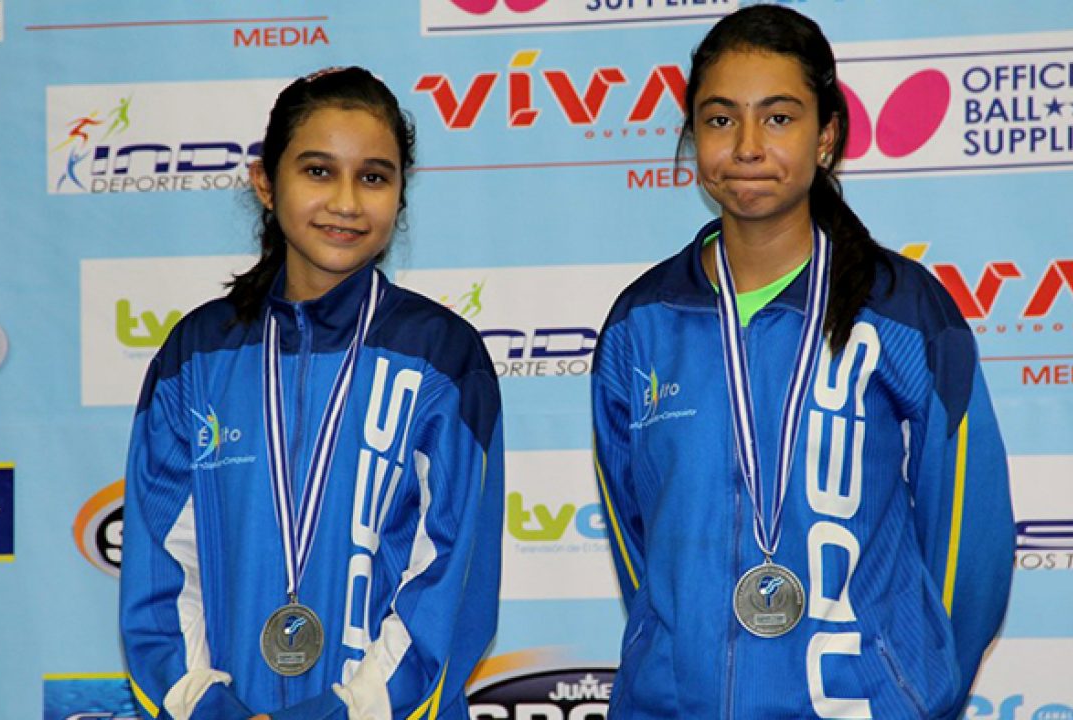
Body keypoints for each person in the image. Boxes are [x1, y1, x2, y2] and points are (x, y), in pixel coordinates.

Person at [590, 6, 1014, 719]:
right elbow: (640, 546)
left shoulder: (902, 311)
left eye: (779, 118)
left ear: (826, 136)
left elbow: (972, 541)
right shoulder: (642, 323)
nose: (747, 146)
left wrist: (919, 690)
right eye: (720, 119)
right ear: (693, 137)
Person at [120, 66, 504, 720]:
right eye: (319, 171)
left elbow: (450, 585)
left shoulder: (443, 356)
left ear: (400, 196)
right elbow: (161, 573)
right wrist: (212, 711)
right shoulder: (198, 356)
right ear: (265, 184)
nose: (347, 202)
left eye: (374, 177)